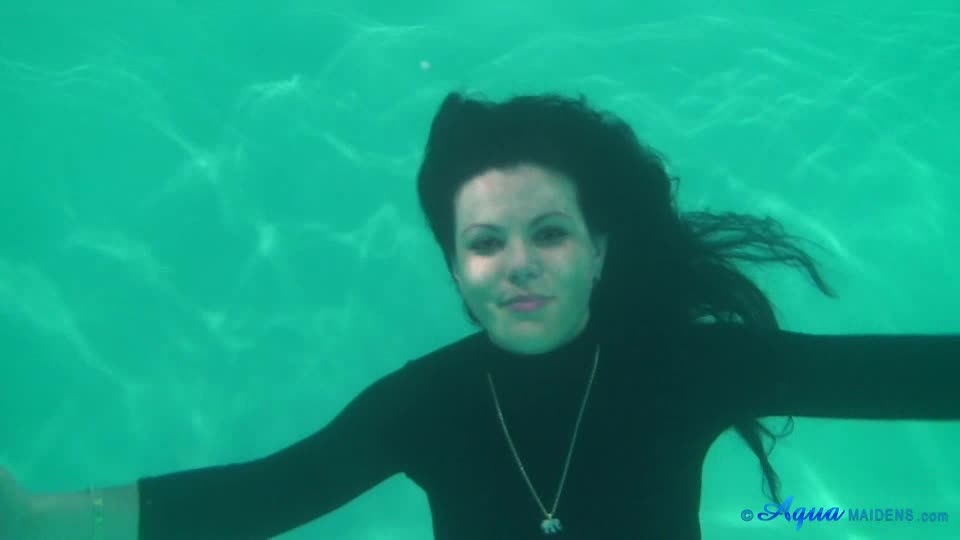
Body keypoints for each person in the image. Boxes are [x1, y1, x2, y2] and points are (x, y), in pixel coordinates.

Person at [3, 92, 959, 540]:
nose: (519, 265)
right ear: (457, 273)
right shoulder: (427, 404)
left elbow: (899, 378)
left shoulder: (683, 366)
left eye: (550, 233)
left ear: (599, 251)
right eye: (485, 243)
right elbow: (269, 495)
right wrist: (38, 518)